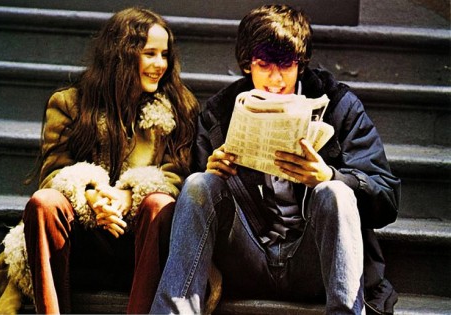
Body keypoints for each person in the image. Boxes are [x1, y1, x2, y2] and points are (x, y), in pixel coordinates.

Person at [150, 4, 401, 315]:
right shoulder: (220, 113)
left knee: (334, 192)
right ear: (247, 65)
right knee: (198, 183)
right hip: (248, 258)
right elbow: (195, 211)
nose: (274, 80)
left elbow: (387, 198)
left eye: (285, 66)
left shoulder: (340, 107)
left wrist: (330, 176)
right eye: (263, 65)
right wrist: (211, 171)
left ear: (301, 64)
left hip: (314, 261)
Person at [0, 7, 198, 314]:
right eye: (149, 54)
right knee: (44, 202)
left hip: (141, 249)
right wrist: (91, 197)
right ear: (121, 54)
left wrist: (129, 195)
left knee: (159, 203)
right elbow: (52, 172)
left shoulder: (178, 107)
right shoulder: (69, 103)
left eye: (164, 54)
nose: (160, 65)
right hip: (82, 244)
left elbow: (178, 174)